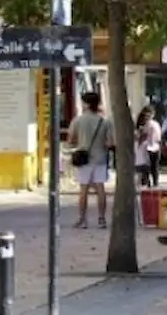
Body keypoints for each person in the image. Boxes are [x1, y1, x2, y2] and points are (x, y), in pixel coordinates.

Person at [68, 92, 113, 229]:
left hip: (84, 159)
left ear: (86, 104)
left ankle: (82, 219)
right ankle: (101, 219)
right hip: (100, 159)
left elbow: (71, 140)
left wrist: (81, 142)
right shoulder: (104, 122)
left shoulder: (78, 121)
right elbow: (110, 143)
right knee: (100, 189)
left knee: (83, 190)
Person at [135, 106, 163, 188]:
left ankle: (154, 183)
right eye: (147, 115)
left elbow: (158, 136)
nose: (149, 117)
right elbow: (140, 136)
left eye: (150, 115)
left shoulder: (154, 124)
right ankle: (148, 183)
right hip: (147, 147)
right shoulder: (142, 125)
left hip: (154, 146)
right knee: (147, 167)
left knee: (154, 166)